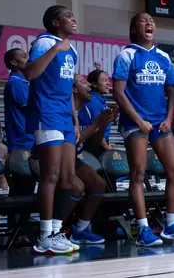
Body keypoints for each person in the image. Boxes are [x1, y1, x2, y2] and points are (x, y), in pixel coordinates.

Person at [113, 12, 174, 246]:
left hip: (161, 121)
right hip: (135, 122)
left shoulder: (163, 57)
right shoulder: (126, 56)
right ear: (133, 29)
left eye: (152, 21)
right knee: (138, 174)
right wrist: (139, 120)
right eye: (143, 20)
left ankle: (171, 225)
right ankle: (143, 230)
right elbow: (118, 93)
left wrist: (169, 118)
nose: (149, 23)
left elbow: (172, 91)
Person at [23, 5, 80, 254]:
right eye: (68, 16)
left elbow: (67, 89)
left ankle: (56, 232)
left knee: (68, 178)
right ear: (56, 23)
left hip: (65, 117)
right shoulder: (44, 43)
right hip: (46, 114)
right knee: (51, 174)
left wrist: (75, 120)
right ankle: (44, 235)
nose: (74, 19)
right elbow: (31, 73)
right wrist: (57, 47)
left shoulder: (73, 50)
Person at [68, 75, 118, 245]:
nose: (89, 85)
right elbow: (74, 139)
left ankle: (81, 229)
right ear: (74, 89)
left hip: (74, 157)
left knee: (98, 184)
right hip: (55, 158)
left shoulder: (87, 111)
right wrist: (97, 123)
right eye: (83, 83)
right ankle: (56, 230)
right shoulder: (66, 110)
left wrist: (103, 124)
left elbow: (91, 145)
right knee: (77, 187)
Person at [3, 48, 35, 152]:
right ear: (14, 62)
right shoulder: (15, 83)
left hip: (28, 139)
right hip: (22, 141)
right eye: (24, 56)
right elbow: (32, 109)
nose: (28, 60)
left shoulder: (22, 81)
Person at [84, 69, 112, 156]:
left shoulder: (100, 100)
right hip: (96, 145)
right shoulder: (92, 101)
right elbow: (96, 128)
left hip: (102, 143)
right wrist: (107, 149)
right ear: (94, 84)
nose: (108, 83)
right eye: (104, 80)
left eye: (108, 80)